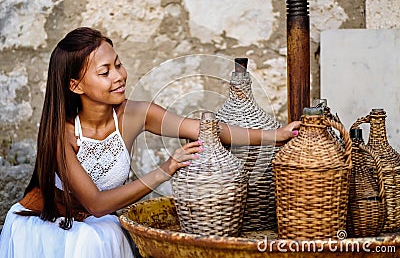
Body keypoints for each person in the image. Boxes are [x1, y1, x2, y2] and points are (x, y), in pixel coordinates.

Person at [0, 27, 300, 258]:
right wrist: (165, 169)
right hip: (47, 229)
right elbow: (97, 203)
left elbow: (206, 129)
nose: (118, 76)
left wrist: (276, 134)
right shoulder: (61, 133)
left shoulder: (135, 114)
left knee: (99, 236)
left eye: (118, 65)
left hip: (93, 228)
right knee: (96, 238)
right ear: (76, 85)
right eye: (104, 72)